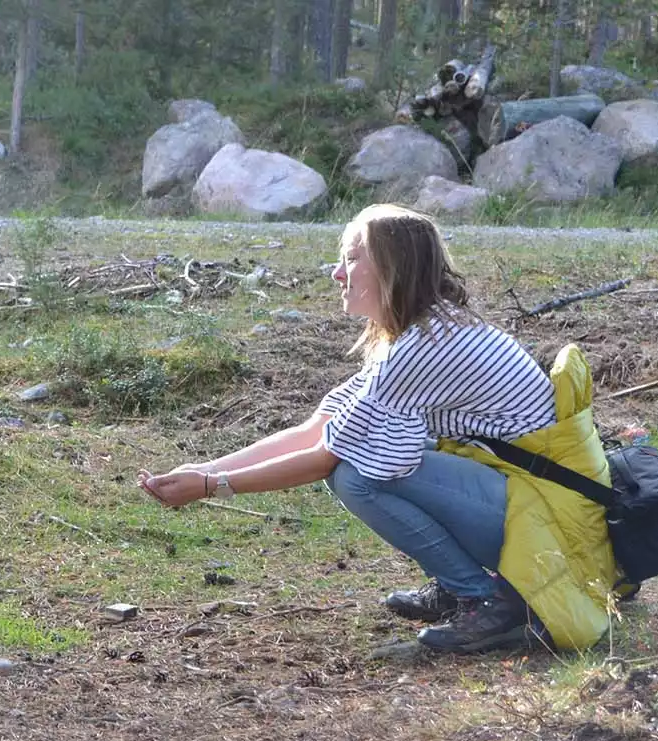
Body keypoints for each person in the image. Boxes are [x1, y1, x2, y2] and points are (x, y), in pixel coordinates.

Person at [138, 204, 618, 653]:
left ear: (393, 268)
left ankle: (486, 601)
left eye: (350, 259)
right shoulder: (421, 330)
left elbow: (324, 456)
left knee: (357, 475)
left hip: (552, 521)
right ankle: (461, 587)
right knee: (359, 465)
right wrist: (204, 468)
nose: (337, 273)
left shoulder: (426, 344)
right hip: (537, 504)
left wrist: (210, 487)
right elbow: (318, 429)